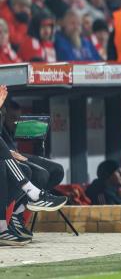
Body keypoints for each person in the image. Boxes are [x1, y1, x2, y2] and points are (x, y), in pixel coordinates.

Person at [0, 85, 67, 245]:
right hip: (4, 154)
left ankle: (20, 209)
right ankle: (31, 195)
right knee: (27, 170)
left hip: (7, 150)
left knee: (55, 170)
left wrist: (10, 151)